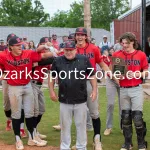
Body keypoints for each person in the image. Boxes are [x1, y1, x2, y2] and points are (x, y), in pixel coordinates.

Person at [0, 36, 54, 150]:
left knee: (29, 114)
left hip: (27, 85)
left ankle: (32, 138)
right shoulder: (4, 55)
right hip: (14, 88)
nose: (21, 47)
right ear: (11, 47)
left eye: (21, 45)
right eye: (17, 45)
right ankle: (18, 140)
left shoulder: (28, 53)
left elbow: (44, 55)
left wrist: (50, 48)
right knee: (16, 114)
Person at [49, 40, 97, 150]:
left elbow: (92, 76)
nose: (69, 52)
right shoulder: (57, 61)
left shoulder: (84, 60)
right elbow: (52, 77)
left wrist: (94, 90)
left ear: (75, 49)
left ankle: (81, 147)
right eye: (66, 50)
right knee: (65, 126)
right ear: (63, 50)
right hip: (64, 99)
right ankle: (65, 147)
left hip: (81, 98)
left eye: (71, 50)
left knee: (81, 125)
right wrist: (51, 91)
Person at [75, 27, 111, 150]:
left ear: (86, 36)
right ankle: (81, 142)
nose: (79, 37)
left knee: (94, 113)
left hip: (91, 82)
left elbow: (101, 64)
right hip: (76, 83)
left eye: (82, 35)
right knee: (79, 113)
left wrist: (110, 74)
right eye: (77, 34)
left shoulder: (94, 48)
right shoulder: (72, 49)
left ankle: (97, 140)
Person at [112, 32, 148, 150]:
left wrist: (140, 73)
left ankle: (141, 143)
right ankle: (128, 143)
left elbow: (146, 71)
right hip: (123, 89)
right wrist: (119, 76)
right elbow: (116, 74)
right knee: (125, 117)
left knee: (137, 117)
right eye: (122, 43)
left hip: (136, 88)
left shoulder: (141, 54)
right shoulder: (118, 54)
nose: (124, 45)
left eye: (127, 43)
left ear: (133, 42)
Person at [102, 50, 121, 136]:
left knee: (123, 105)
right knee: (110, 104)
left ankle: (123, 127)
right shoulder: (111, 58)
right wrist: (116, 79)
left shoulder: (128, 57)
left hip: (123, 80)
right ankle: (108, 127)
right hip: (111, 80)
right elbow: (108, 71)